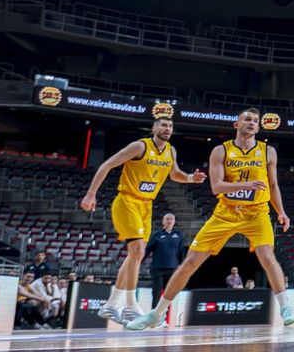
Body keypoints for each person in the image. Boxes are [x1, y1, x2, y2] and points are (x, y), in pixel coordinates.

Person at [126, 108, 294, 329]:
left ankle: (285, 307)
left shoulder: (268, 152)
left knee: (267, 255)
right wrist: (246, 185)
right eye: (247, 119)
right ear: (237, 124)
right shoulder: (220, 151)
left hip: (256, 212)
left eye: (255, 120)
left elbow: (273, 186)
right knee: (190, 263)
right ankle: (157, 314)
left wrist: (281, 212)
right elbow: (217, 187)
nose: (252, 123)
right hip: (225, 213)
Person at [78, 114, 206, 324]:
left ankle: (111, 306)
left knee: (134, 256)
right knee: (137, 250)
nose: (167, 128)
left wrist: (192, 178)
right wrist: (91, 194)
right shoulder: (139, 147)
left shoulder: (170, 150)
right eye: (163, 125)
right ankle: (130, 306)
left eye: (170, 125)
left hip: (146, 205)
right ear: (154, 128)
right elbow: (107, 165)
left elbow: (175, 175)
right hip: (127, 200)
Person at [147, 214, 184, 299]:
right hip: (157, 268)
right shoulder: (156, 235)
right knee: (156, 294)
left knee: (168, 295)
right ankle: (155, 312)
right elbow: (148, 250)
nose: (169, 221)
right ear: (163, 222)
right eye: (167, 219)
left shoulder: (179, 235)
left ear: (174, 222)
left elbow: (181, 251)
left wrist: (181, 266)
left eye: (171, 219)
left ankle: (166, 312)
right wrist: (138, 262)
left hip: (172, 269)